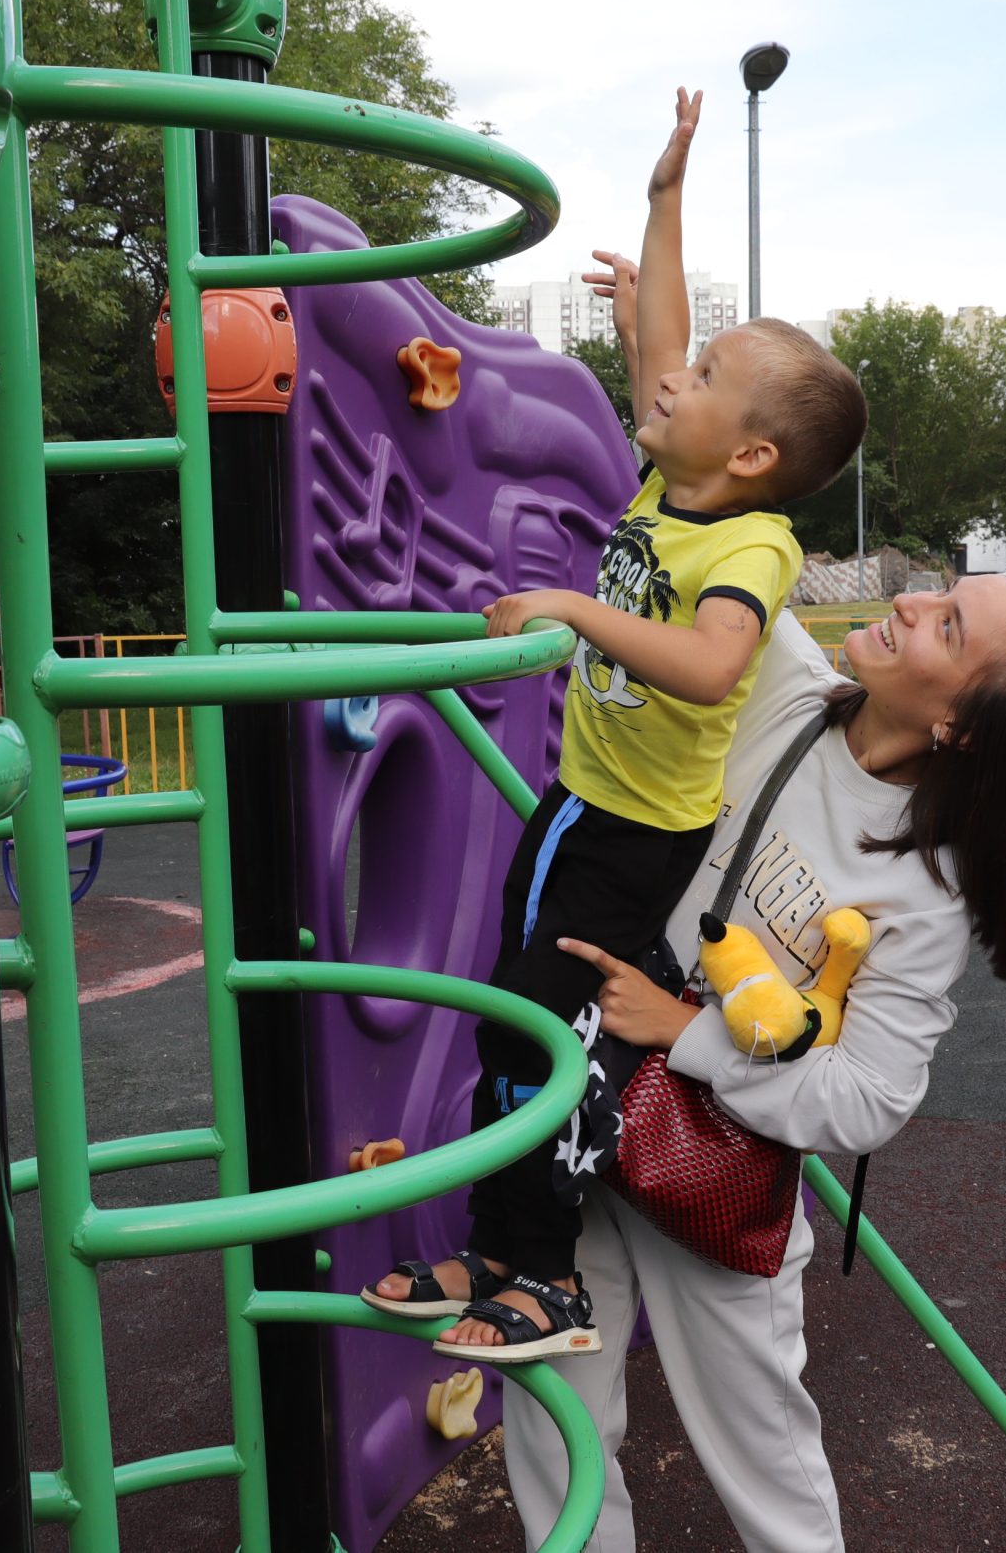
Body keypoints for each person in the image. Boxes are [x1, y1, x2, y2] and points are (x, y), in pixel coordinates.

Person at [363, 89, 867, 1361]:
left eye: (697, 383)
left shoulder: (751, 539)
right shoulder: (676, 473)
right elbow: (663, 330)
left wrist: (583, 611)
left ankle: (550, 1275)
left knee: (547, 1028)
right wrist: (661, 202)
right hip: (585, 799)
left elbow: (709, 668)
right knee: (510, 1010)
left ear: (749, 452)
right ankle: (499, 1246)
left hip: (632, 832)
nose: (665, 377)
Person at [483, 575, 1006, 1550]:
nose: (909, 600)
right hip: (581, 1095)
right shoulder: (778, 680)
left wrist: (679, 1031)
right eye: (939, 587)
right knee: (552, 1408)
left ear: (963, 726)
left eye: (946, 624)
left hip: (713, 1159)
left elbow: (867, 1100)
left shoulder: (925, 884)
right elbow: (700, 538)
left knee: (761, 1453)